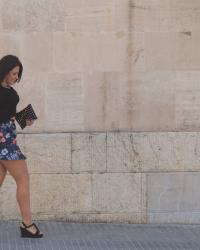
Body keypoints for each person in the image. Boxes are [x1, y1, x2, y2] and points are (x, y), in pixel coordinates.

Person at [0, 55, 43, 238]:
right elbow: (6, 117)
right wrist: (22, 118)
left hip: (5, 137)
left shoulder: (7, 90)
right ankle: (27, 225)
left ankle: (27, 225)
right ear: (4, 71)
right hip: (6, 140)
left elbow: (7, 114)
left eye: (18, 74)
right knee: (23, 179)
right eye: (14, 73)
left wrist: (22, 118)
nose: (16, 77)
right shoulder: (8, 92)